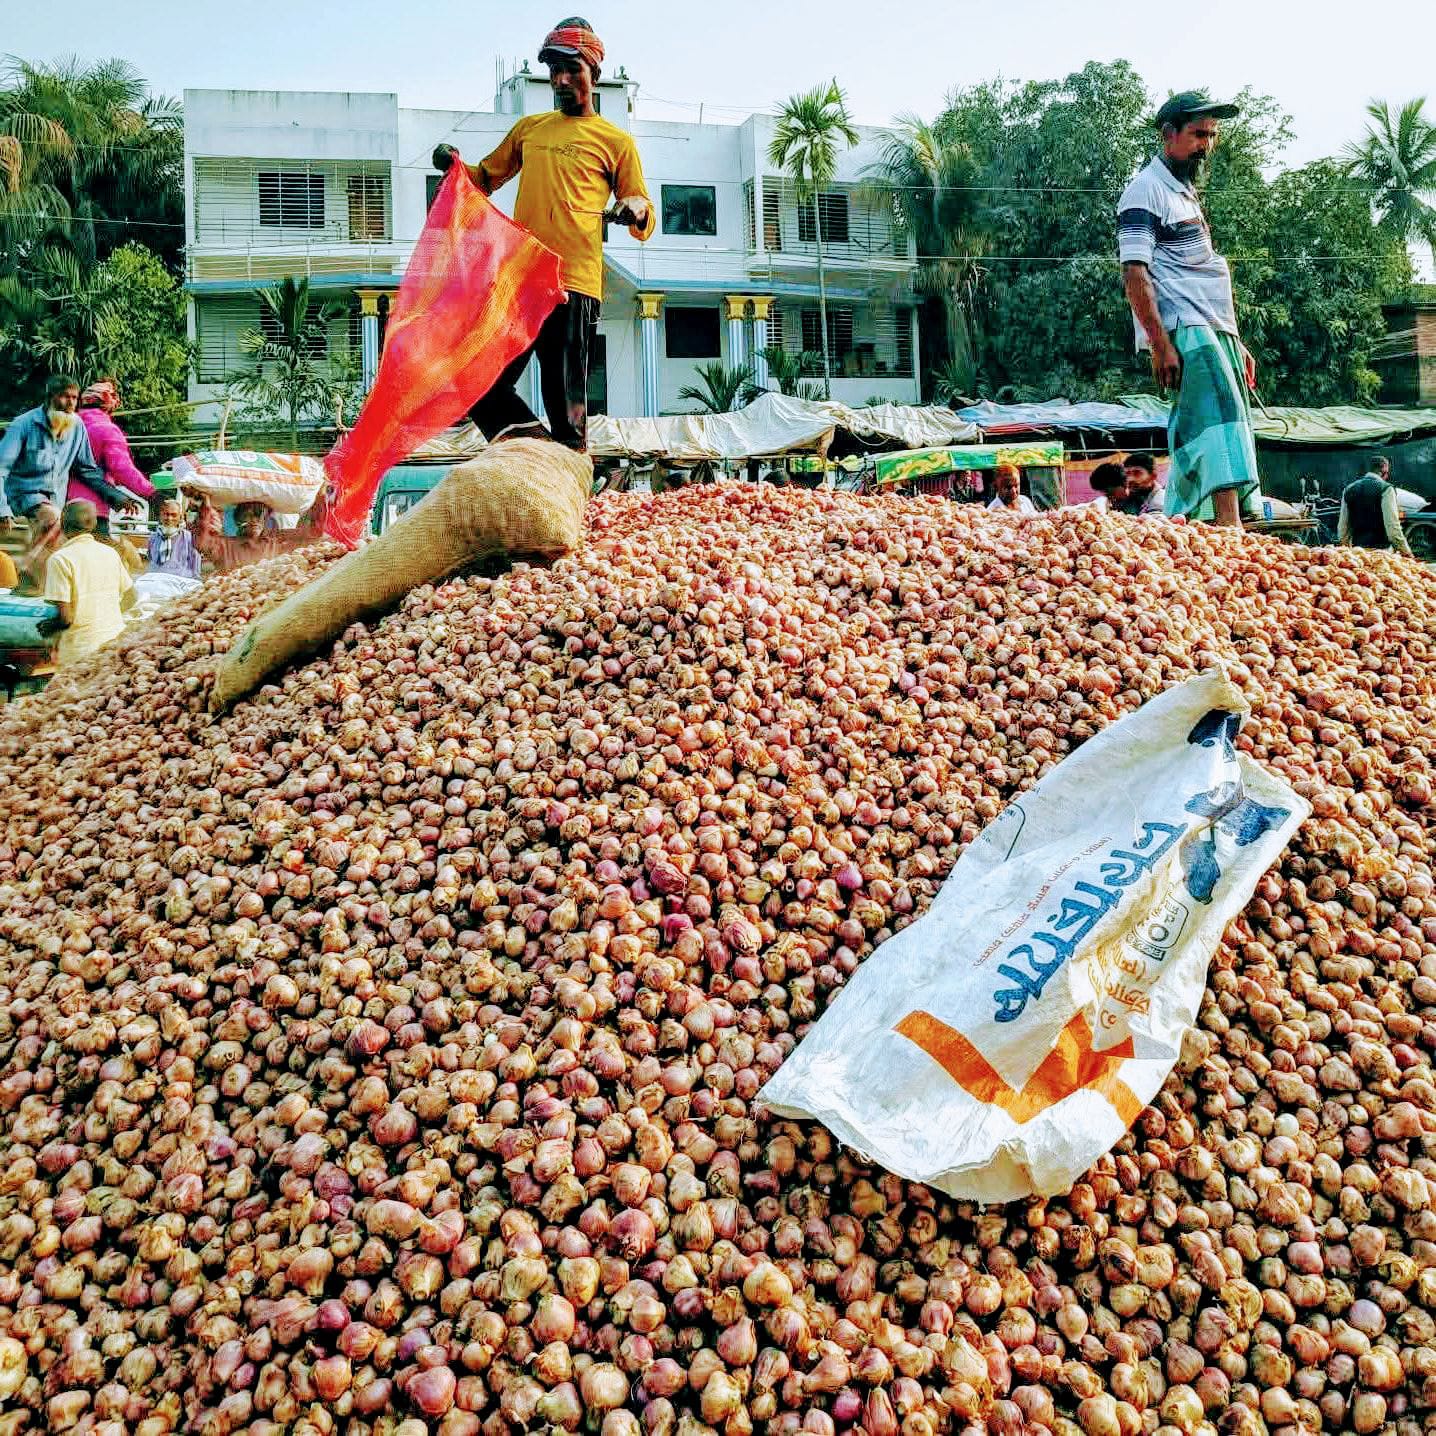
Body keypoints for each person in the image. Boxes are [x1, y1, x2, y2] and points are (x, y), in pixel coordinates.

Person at [433, 17, 654, 450]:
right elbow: (485, 178)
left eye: (572, 69)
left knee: (566, 413)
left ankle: (568, 466)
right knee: (477, 383)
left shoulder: (616, 142)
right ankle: (545, 460)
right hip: (521, 281)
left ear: (594, 72)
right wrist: (455, 167)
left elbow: (641, 205)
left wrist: (635, 207)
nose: (561, 80)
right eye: (554, 70)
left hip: (574, 287)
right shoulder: (529, 129)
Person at [1118, 92, 1259, 527]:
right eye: (1198, 134)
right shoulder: (1144, 190)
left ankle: (1195, 519)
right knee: (1217, 412)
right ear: (1169, 134)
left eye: (1211, 136)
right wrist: (1160, 343)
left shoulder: (1183, 193)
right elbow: (1135, 274)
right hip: (1184, 321)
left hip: (1211, 322)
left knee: (1212, 415)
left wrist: (1235, 339)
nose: (1206, 145)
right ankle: (1228, 522)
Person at [0, 376, 138, 527]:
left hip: (56, 505)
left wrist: (117, 497)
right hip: (20, 501)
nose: (71, 403)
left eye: (74, 398)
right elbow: (1, 469)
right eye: (65, 396)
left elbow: (87, 471)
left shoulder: (77, 426)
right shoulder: (23, 425)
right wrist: (2, 510)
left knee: (82, 522)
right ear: (50, 397)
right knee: (52, 517)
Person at [39, 501, 136, 666]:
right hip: (114, 644)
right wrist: (105, 618)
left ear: (63, 524)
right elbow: (131, 597)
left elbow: (66, 619)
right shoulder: (110, 553)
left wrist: (48, 627)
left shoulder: (60, 559)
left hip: (80, 652)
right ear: (94, 524)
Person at [72, 379, 155, 534]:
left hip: (64, 507)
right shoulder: (107, 429)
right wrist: (150, 492)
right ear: (106, 400)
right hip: (93, 509)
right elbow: (122, 469)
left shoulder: (67, 426)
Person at [193, 499, 321, 574]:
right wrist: (206, 506)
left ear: (265, 519)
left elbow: (315, 533)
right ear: (238, 520)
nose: (254, 520)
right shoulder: (225, 546)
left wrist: (320, 498)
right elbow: (201, 542)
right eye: (247, 516)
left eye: (258, 515)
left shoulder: (277, 539)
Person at [1338, 456, 1412, 556]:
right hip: (1382, 552)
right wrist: (1406, 552)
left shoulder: (1348, 489)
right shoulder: (1386, 489)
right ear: (1384, 469)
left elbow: (1343, 527)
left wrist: (1346, 551)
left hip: (1358, 552)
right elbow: (1392, 527)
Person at [147, 496, 203, 578]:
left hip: (180, 581)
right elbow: (151, 560)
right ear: (161, 516)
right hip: (155, 579)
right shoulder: (153, 538)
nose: (169, 518)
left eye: (174, 515)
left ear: (180, 517)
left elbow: (195, 568)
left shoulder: (189, 538)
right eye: (166, 514)